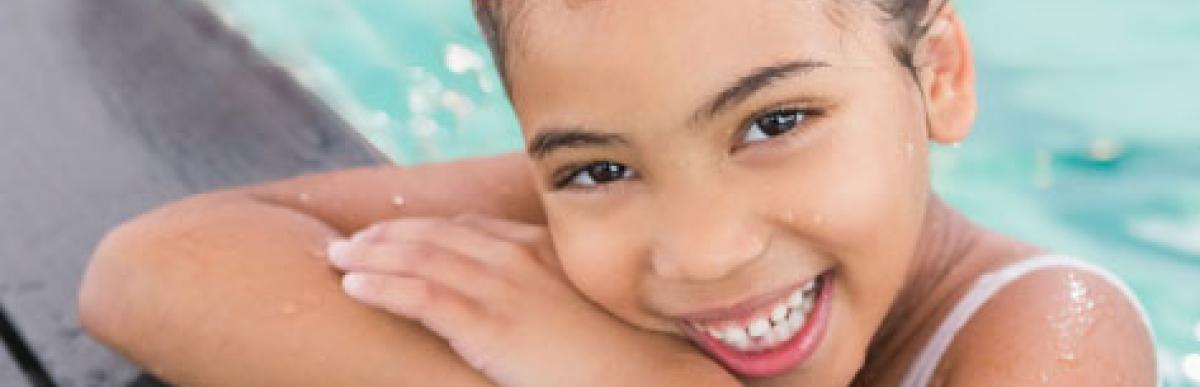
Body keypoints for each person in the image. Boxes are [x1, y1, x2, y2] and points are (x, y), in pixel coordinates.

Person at [79, 0, 1158, 385]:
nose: (702, 249)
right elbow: (147, 270)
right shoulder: (593, 222)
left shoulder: (1056, 333)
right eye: (597, 167)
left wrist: (625, 377)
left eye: (775, 123)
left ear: (939, 76)